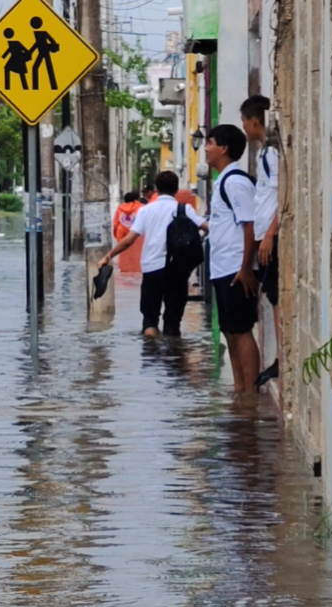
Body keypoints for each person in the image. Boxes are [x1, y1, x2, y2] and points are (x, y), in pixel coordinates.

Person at [98, 171, 207, 337]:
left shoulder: (146, 211)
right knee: (173, 323)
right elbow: (207, 227)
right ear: (176, 189)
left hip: (152, 270)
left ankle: (150, 357)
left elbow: (128, 240)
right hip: (177, 271)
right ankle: (173, 357)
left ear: (157, 189)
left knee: (149, 321)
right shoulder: (185, 209)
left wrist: (108, 256)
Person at [205, 125, 261, 394]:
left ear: (223, 148)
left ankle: (250, 393)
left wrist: (246, 268)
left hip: (237, 269)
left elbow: (250, 225)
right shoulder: (222, 182)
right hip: (222, 268)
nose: (205, 148)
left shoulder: (235, 182)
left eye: (210, 142)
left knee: (241, 330)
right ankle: (240, 390)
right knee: (229, 331)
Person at [241, 95, 281, 387]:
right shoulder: (264, 153)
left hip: (271, 236)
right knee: (270, 293)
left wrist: (269, 234)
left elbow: (282, 193)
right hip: (265, 236)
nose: (244, 127)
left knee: (276, 294)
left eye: (244, 121)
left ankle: (280, 356)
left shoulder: (271, 155)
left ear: (253, 120)